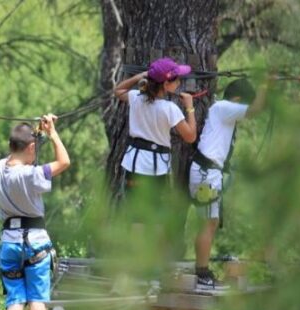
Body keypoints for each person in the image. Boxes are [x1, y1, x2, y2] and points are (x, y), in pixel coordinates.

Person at [0, 114, 70, 310]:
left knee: (14, 299)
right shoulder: (32, 175)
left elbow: (16, 154)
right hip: (35, 241)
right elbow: (64, 162)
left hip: (9, 242)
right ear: (31, 148)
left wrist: (35, 133)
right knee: (37, 299)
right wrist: (52, 133)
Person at [189, 78, 272, 289]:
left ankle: (202, 270)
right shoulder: (224, 108)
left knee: (210, 222)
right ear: (236, 100)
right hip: (206, 173)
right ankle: (202, 272)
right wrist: (265, 84)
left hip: (209, 173)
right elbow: (254, 110)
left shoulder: (223, 111)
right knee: (208, 223)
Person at [114, 57, 197, 204]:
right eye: (176, 80)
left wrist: (140, 76)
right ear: (166, 84)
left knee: (136, 217)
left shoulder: (136, 98)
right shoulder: (170, 109)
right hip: (156, 167)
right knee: (155, 219)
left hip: (134, 163)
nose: (179, 83)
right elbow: (190, 137)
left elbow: (118, 90)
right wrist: (190, 107)